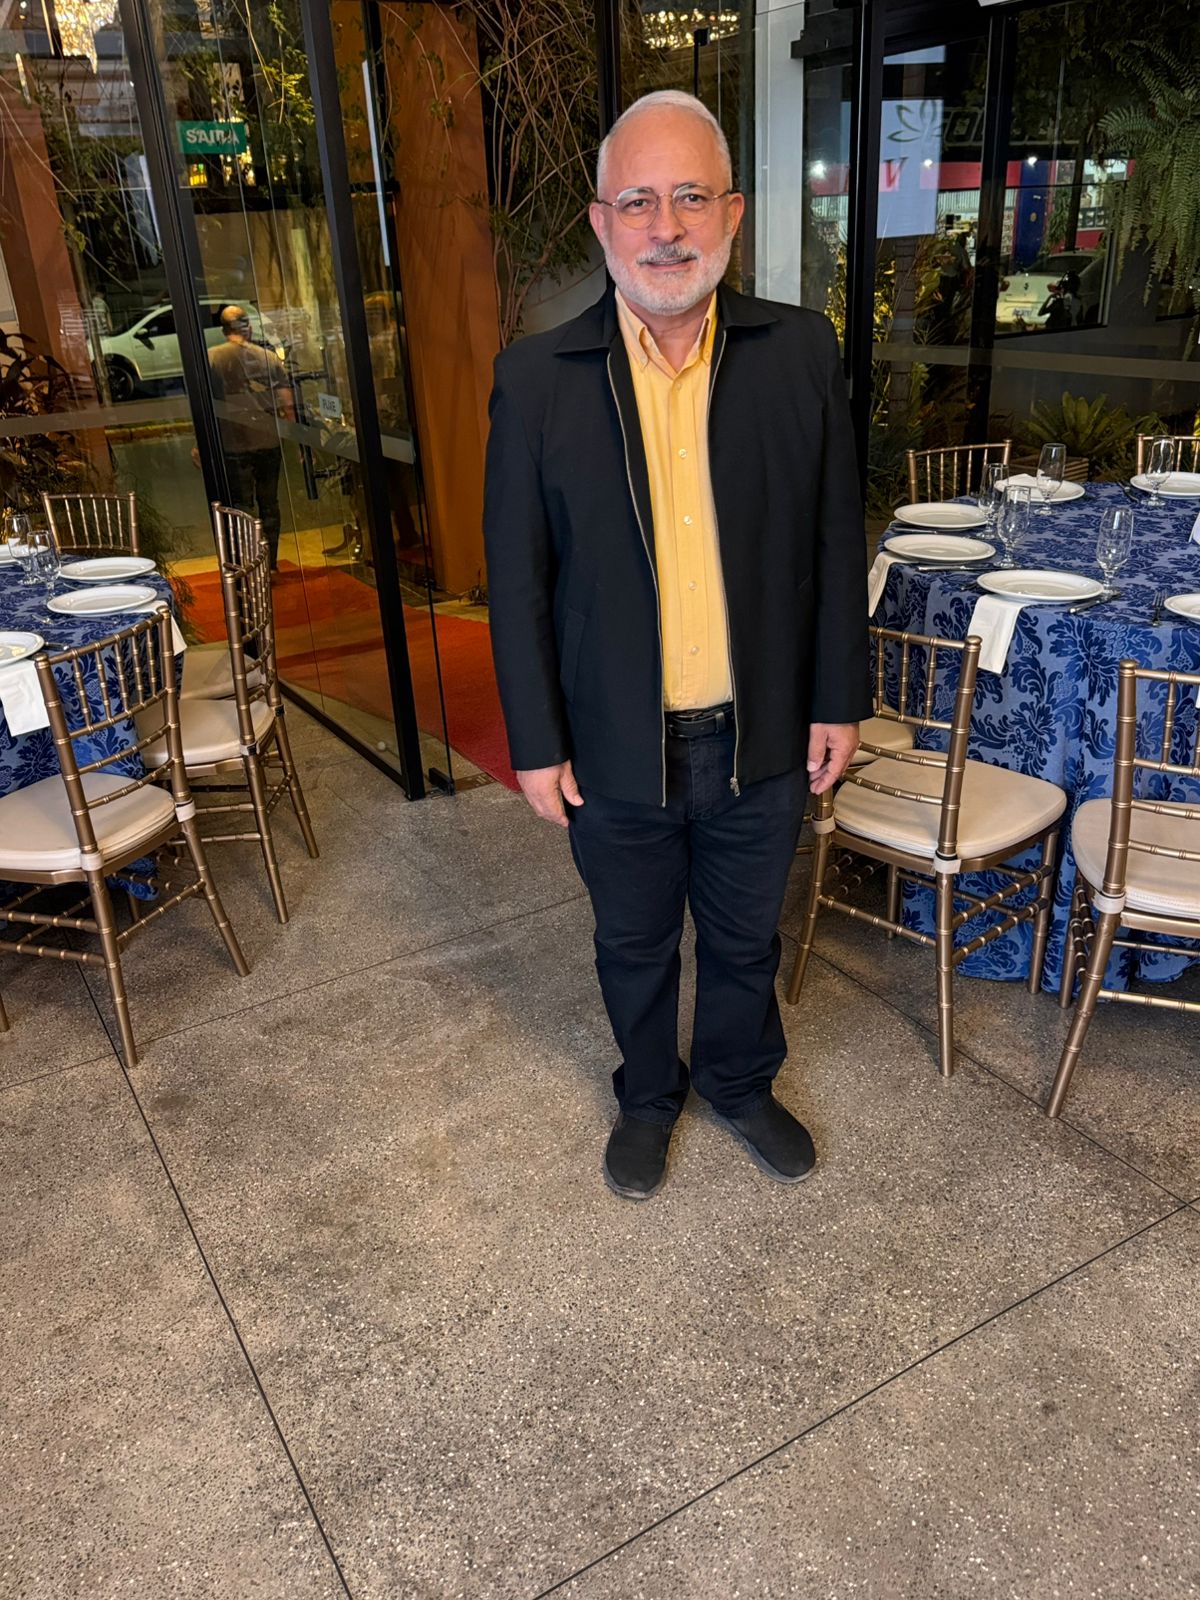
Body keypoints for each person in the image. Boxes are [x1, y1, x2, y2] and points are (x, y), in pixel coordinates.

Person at [484, 91, 869, 1201]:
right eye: (639, 201)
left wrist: (838, 699)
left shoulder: (799, 352)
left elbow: (835, 537)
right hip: (614, 741)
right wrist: (536, 742)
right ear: (601, 222)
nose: (666, 227)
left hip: (764, 729)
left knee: (746, 938)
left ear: (732, 213)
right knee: (634, 942)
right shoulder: (537, 379)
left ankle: (740, 1082)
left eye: (691, 196)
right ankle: (649, 1094)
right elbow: (518, 580)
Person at [208, 305, 294, 569]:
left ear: (223, 330)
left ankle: (248, 562)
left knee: (242, 505)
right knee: (269, 502)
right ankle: (271, 561)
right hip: (267, 439)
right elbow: (287, 400)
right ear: (250, 328)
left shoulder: (212, 358)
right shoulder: (268, 357)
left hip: (233, 442)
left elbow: (207, 404)